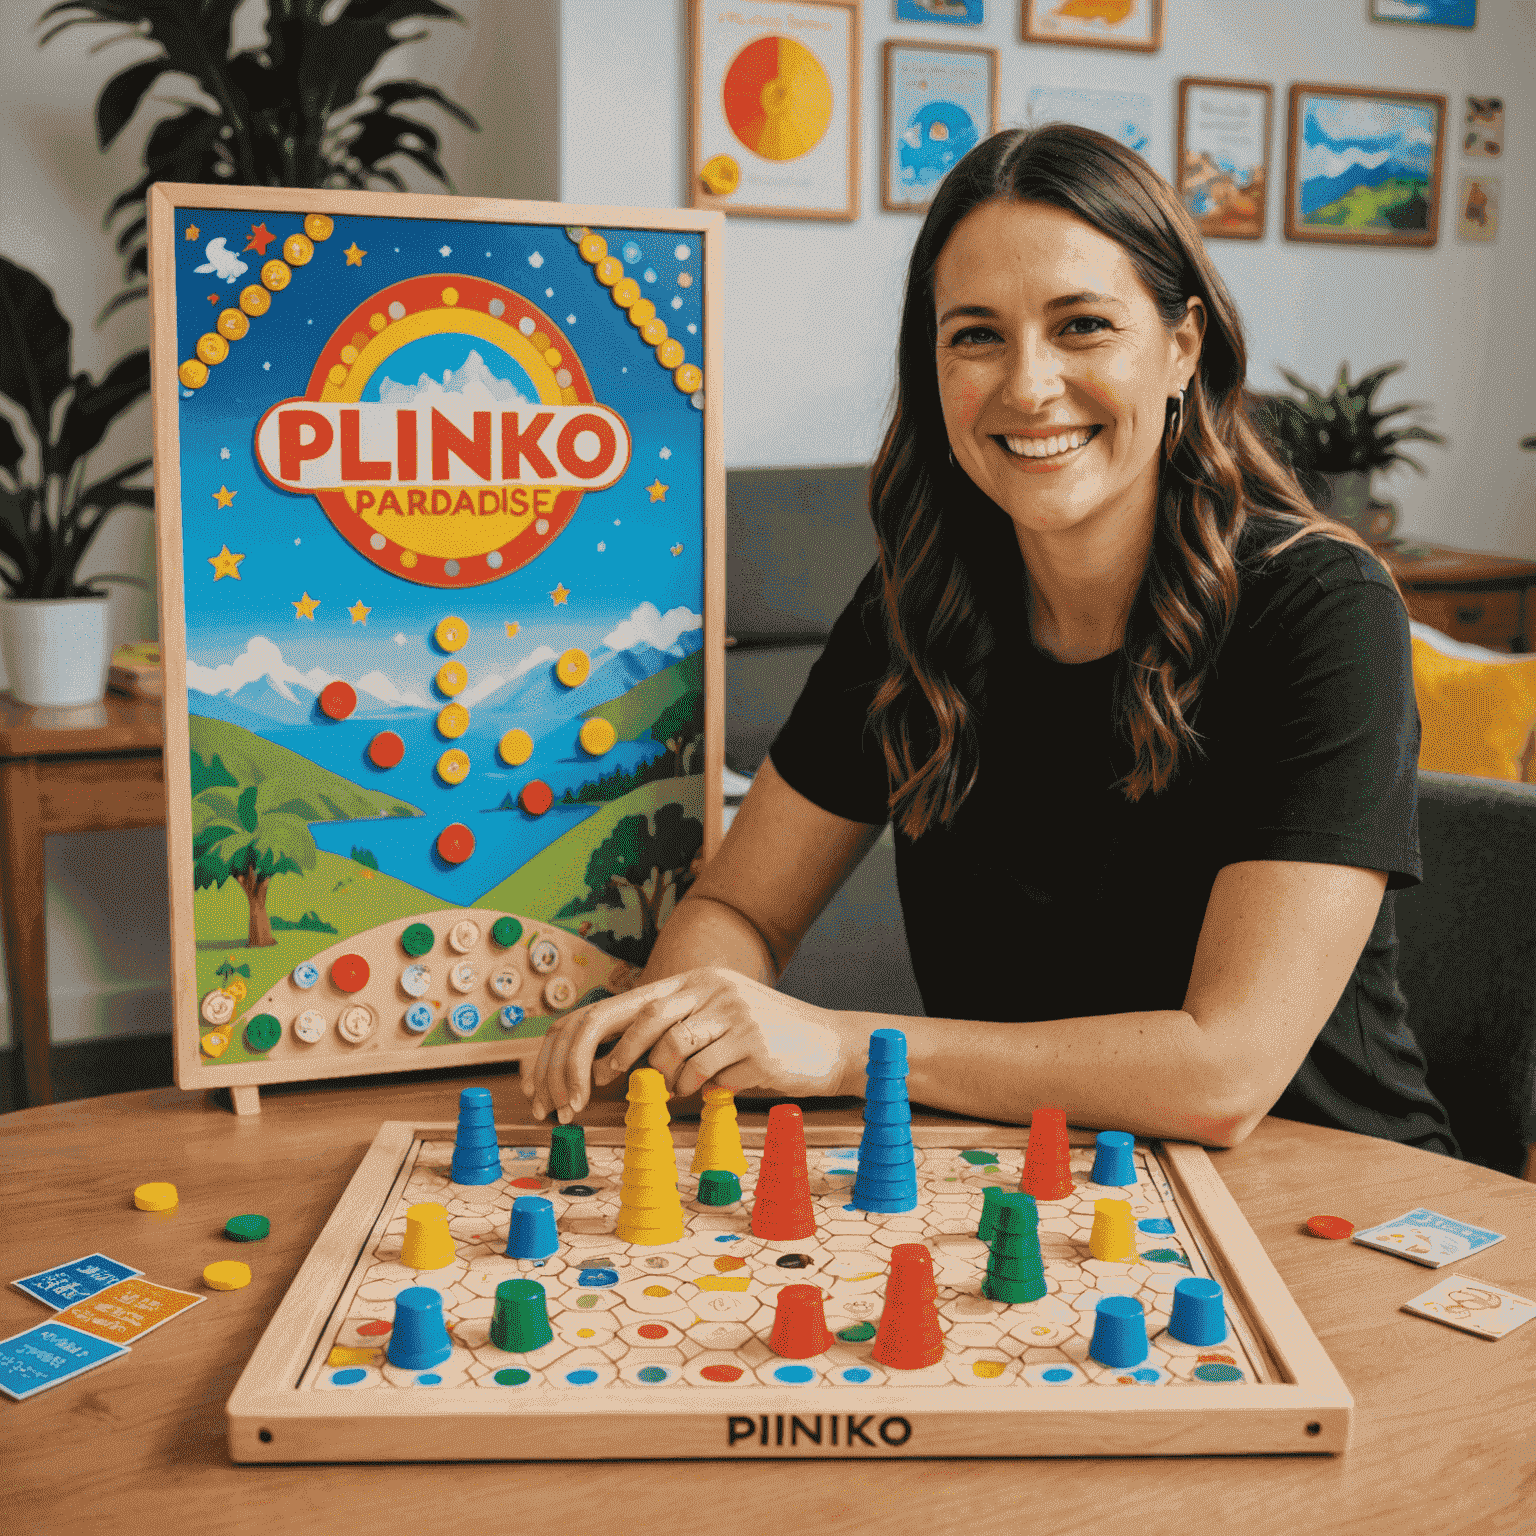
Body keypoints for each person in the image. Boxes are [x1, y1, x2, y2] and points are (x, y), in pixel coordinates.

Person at [522, 124, 1457, 1157]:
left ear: (1181, 347)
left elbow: (1223, 1074)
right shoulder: (915, 608)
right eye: (976, 335)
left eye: (1084, 325)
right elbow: (743, 907)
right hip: (1031, 1190)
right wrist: (692, 1015)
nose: (1028, 385)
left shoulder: (1323, 606)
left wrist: (843, 1048)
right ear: (932, 368)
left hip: (1325, 1194)